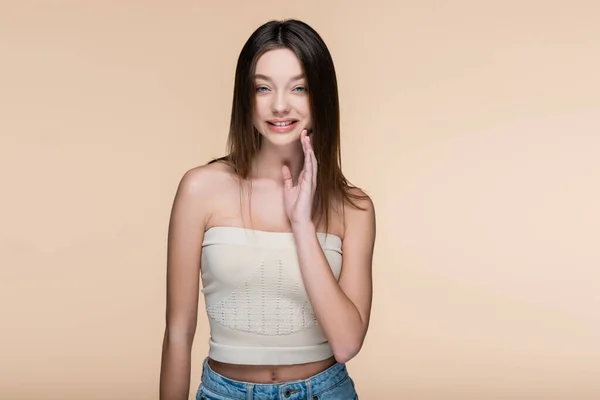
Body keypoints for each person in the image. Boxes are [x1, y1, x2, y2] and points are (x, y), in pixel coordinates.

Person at [159, 19, 376, 400]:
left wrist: (302, 225)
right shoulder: (200, 189)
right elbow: (178, 333)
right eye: (263, 88)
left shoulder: (353, 208)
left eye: (299, 88)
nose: (279, 105)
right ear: (246, 97)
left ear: (320, 96)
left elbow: (345, 344)